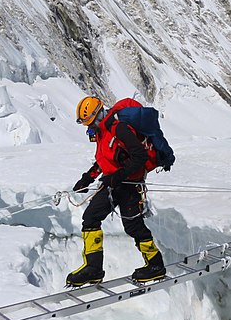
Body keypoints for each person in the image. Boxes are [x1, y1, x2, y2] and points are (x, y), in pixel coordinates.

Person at [66, 96, 167, 287]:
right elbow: (105, 159)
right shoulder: (103, 131)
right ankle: (93, 269)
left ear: (98, 115)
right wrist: (88, 177)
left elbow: (139, 157)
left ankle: (156, 265)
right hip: (114, 184)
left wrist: (118, 176)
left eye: (91, 122)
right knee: (91, 218)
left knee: (133, 226)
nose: (90, 127)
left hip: (129, 184)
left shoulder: (118, 128)